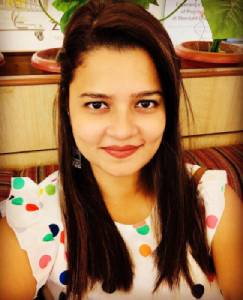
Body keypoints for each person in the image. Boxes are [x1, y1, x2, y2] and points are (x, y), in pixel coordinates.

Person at [0, 0, 243, 299]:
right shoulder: (34, 219)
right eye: (97, 104)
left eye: (145, 103)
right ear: (68, 108)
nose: (123, 130)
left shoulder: (214, 202)